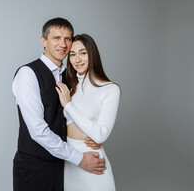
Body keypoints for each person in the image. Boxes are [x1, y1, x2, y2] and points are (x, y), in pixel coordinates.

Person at [12, 18, 106, 191]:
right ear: (44, 40)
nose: (62, 44)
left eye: (67, 39)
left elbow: (77, 116)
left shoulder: (70, 77)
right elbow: (38, 130)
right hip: (34, 168)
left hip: (64, 167)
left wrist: (93, 136)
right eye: (56, 38)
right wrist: (79, 158)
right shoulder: (27, 74)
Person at [56, 34, 121, 191]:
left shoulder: (110, 89)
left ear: (92, 54)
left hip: (93, 163)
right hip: (70, 162)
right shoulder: (71, 90)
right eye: (72, 54)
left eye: (83, 53)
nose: (77, 59)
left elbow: (100, 135)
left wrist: (68, 105)